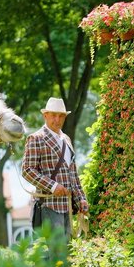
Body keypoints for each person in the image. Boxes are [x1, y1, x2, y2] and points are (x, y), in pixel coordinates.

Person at [22, 97, 88, 239]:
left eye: (61, 116)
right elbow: (27, 170)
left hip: (67, 206)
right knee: (58, 254)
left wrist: (81, 199)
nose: (57, 119)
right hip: (49, 205)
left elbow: (73, 175)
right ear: (45, 115)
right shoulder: (36, 138)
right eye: (53, 115)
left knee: (67, 254)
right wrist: (53, 186)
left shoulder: (67, 139)